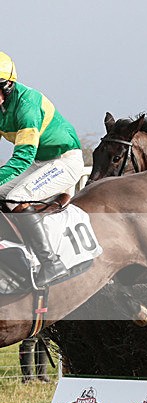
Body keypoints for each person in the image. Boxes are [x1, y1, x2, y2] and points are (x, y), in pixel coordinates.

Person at [0, 51, 84, 286]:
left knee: (15, 198)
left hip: (64, 161)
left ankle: (51, 263)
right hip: (40, 163)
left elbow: (22, 159)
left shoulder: (27, 106)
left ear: (7, 86)